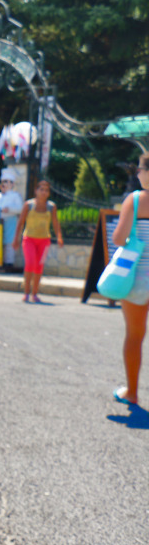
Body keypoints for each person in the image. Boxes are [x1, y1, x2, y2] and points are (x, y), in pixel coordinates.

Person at [112, 153, 149, 405]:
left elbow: (117, 239)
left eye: (139, 169)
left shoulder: (135, 201)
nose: (137, 174)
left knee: (134, 336)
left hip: (137, 279)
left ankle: (132, 393)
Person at [13, 178, 63, 304]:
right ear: (36, 191)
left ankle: (35, 293)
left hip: (44, 240)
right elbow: (20, 223)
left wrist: (59, 236)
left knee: (39, 267)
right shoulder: (28, 205)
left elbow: (55, 223)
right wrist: (16, 239)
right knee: (30, 263)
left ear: (49, 193)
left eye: (46, 190)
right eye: (41, 189)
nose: (43, 192)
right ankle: (26, 292)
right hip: (29, 239)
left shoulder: (51, 207)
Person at [0, 172, 24, 271]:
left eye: (6, 182)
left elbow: (20, 209)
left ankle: (8, 263)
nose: (4, 184)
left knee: (9, 242)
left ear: (12, 184)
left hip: (10, 221)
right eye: (3, 182)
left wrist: (9, 209)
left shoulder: (15, 195)